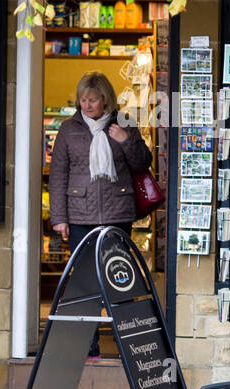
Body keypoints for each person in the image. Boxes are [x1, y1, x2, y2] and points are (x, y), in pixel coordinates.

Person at [49, 71, 152, 357]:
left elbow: (143, 162)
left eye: (92, 99)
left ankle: (127, 343)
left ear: (105, 99)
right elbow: (58, 174)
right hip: (80, 216)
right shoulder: (69, 129)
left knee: (120, 279)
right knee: (84, 283)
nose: (86, 105)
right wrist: (59, 218)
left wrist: (125, 140)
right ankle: (87, 344)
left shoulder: (124, 123)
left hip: (118, 212)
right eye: (83, 99)